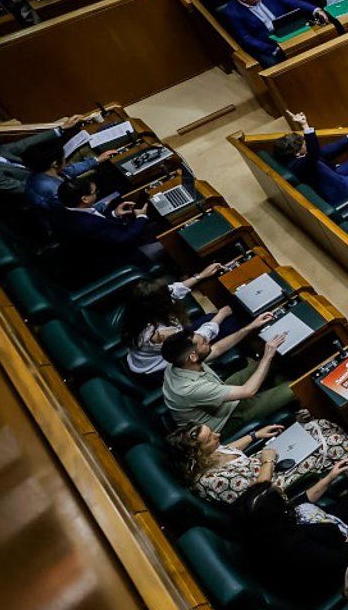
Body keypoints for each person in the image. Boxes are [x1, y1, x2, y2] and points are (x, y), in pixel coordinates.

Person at [168, 417, 348, 504]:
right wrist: (268, 462)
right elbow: (259, 495)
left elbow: (229, 449)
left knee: (319, 424)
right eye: (210, 438)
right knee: (333, 442)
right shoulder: (215, 481)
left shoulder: (208, 454)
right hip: (277, 481)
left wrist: (255, 435)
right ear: (196, 454)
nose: (218, 436)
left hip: (268, 459)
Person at [117, 266, 250, 375]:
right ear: (160, 306)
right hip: (163, 364)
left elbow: (171, 291)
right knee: (233, 324)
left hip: (149, 355)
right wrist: (221, 315)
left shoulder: (138, 312)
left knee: (212, 319)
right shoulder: (158, 335)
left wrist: (200, 276)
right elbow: (196, 340)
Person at [160, 327, 294, 430]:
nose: (208, 341)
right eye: (204, 343)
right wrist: (267, 356)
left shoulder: (178, 362)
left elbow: (217, 349)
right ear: (193, 357)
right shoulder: (188, 389)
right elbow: (248, 391)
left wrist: (249, 327)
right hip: (226, 419)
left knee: (270, 362)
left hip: (217, 397)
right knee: (293, 388)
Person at [55, 176, 161, 268]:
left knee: (155, 225)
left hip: (109, 245)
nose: (96, 194)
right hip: (122, 258)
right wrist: (141, 216)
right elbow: (123, 239)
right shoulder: (87, 225)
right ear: (85, 199)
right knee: (164, 239)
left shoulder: (65, 212)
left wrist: (115, 214)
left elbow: (103, 228)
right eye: (95, 192)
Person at [219, 0, 328, 67]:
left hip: (286, 30)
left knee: (317, 40)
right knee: (276, 66)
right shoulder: (232, 12)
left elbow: (292, 2)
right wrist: (272, 49)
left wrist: (315, 10)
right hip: (267, 43)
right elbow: (246, 38)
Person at [0, 121, 77, 202]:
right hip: (36, 196)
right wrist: (54, 180)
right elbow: (19, 189)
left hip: (43, 174)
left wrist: (61, 129)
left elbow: (23, 144)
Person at [278, 111, 348, 204]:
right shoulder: (297, 165)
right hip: (338, 189)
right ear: (296, 153)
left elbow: (324, 152)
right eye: (304, 145)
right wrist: (305, 125)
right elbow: (314, 153)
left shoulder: (299, 156)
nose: (307, 145)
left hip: (335, 174)